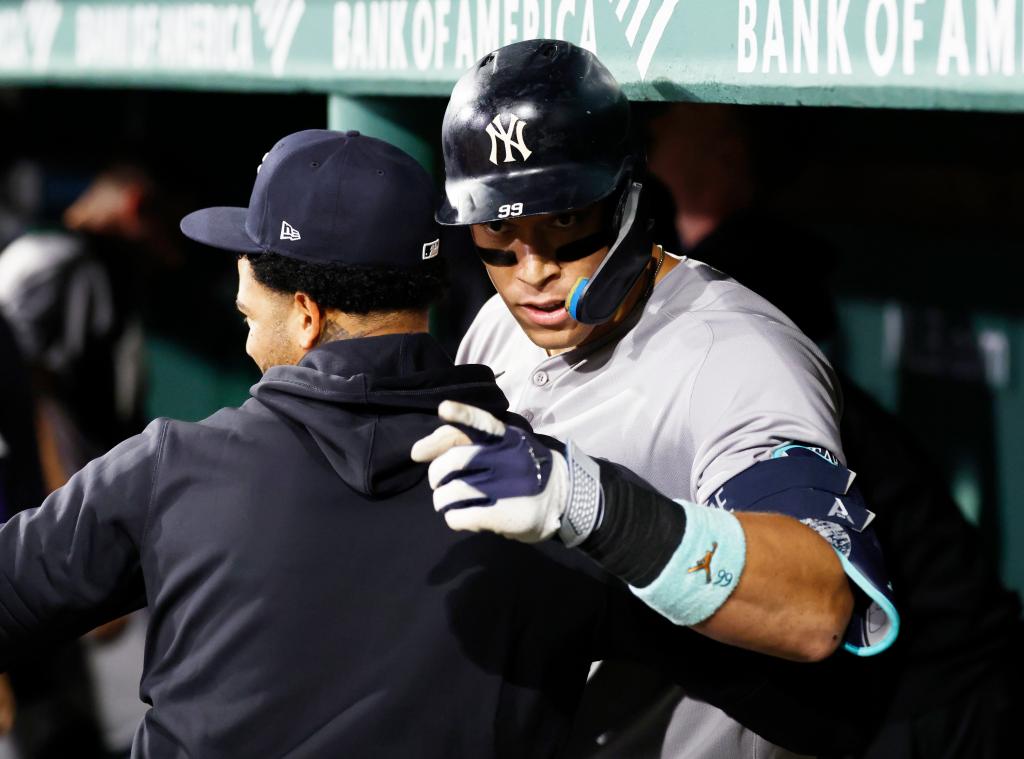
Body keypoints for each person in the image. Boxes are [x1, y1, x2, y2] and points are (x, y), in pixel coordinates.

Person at [0, 129, 865, 758]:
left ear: (307, 315)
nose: (241, 310)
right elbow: (807, 684)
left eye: (250, 289)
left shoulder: (173, 469)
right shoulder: (551, 501)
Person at [412, 40, 897, 758]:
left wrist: (592, 504)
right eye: (501, 233)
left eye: (563, 221)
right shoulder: (497, 327)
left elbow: (818, 606)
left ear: (629, 203)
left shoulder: (738, 354)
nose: (532, 271)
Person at [645, 102, 1022, 758]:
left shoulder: (735, 287)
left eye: (661, 130)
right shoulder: (694, 273)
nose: (646, 146)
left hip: (934, 680)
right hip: (909, 669)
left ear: (728, 155)